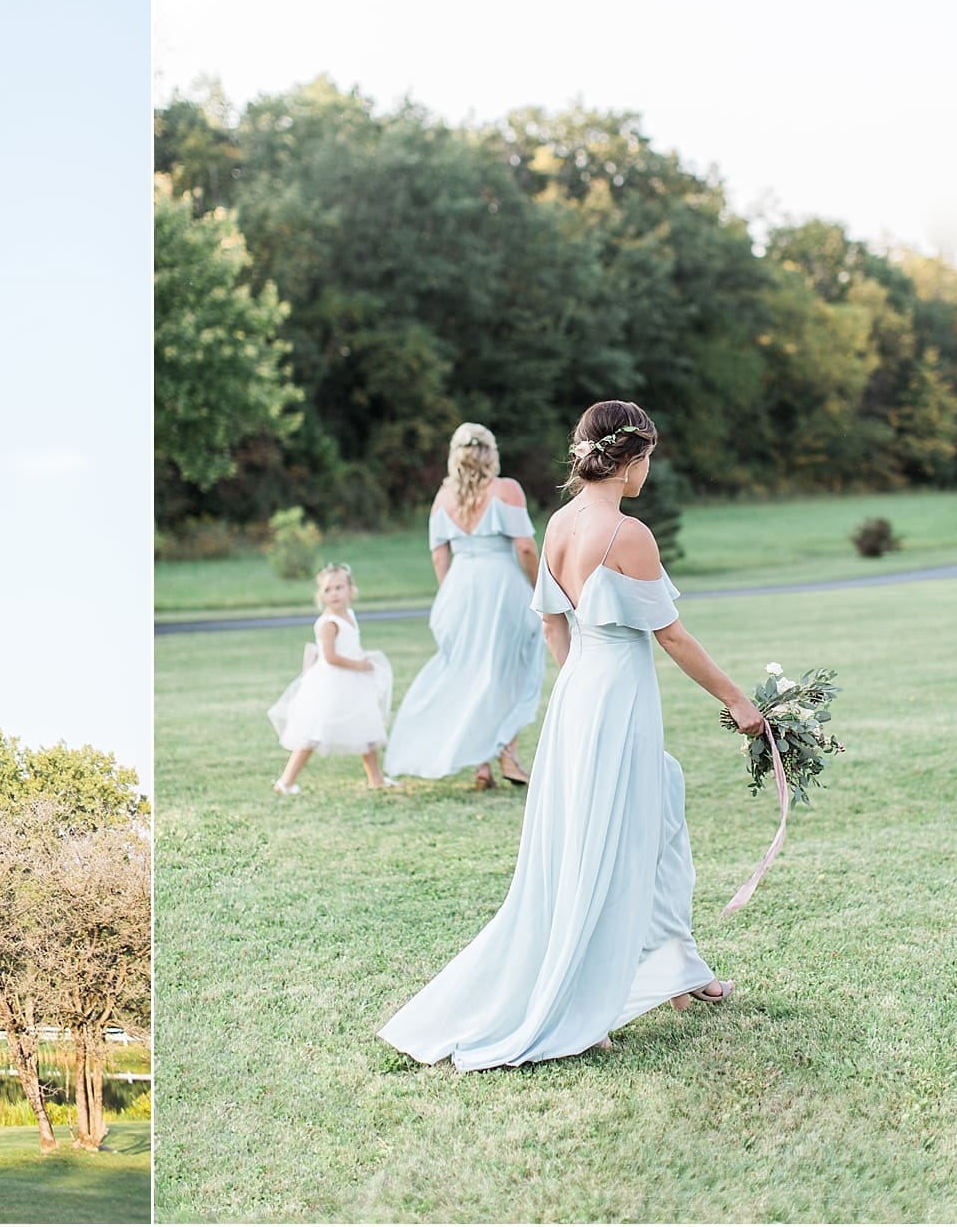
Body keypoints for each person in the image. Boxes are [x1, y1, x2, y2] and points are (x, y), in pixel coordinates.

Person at [378, 401, 764, 1069]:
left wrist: (579, 687)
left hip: (579, 694)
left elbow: (552, 623)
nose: (648, 472)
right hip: (614, 696)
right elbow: (669, 634)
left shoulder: (557, 523)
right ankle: (590, 1004)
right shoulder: (625, 533)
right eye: (648, 460)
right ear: (631, 458)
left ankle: (678, 969)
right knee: (621, 839)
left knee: (655, 811)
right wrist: (738, 701)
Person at [382, 423, 543, 790]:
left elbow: (440, 556)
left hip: (459, 589)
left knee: (473, 673)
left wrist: (451, 598)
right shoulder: (506, 490)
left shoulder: (443, 498)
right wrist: (539, 589)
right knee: (509, 669)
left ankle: (482, 765)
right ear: (492, 453)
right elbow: (525, 547)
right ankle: (509, 756)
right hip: (501, 586)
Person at [267, 563, 395, 793]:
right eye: (328, 589)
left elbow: (349, 646)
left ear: (350, 590)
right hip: (332, 684)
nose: (334, 593)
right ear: (321, 595)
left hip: (352, 683)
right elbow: (331, 657)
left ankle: (376, 779)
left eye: (339, 587)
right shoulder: (328, 623)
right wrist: (359, 665)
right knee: (314, 732)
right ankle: (285, 782)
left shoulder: (350, 616)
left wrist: (360, 660)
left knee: (366, 726)